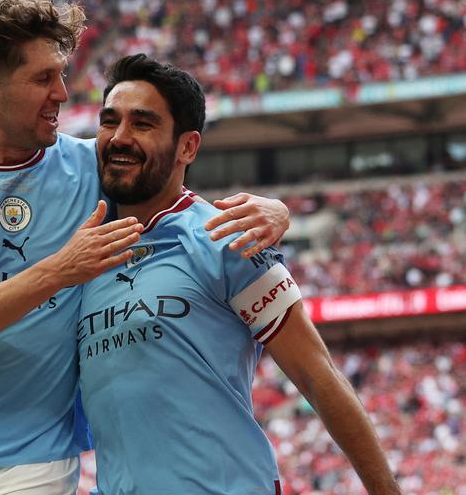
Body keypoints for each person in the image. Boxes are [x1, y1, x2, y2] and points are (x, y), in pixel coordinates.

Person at [0, 0, 291, 493]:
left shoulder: (89, 164)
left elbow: (165, 178)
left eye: (62, 74)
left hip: (38, 466)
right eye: (43, 77)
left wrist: (273, 208)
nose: (64, 93)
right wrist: (59, 269)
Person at [77, 53, 400, 494]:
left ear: (187, 147)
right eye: (109, 121)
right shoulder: (82, 250)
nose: (120, 137)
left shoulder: (227, 238)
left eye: (143, 124)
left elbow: (316, 374)